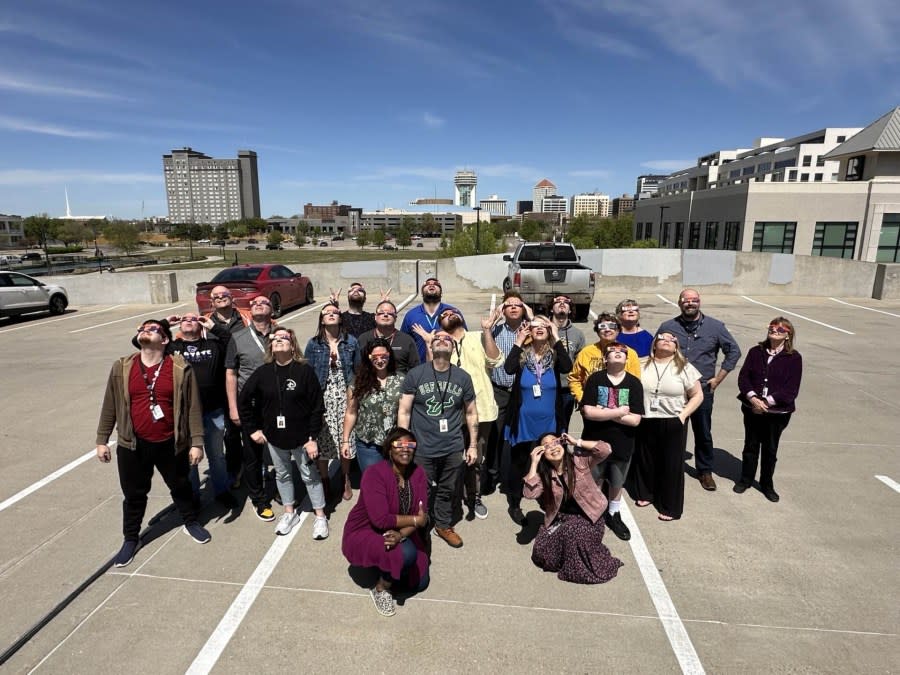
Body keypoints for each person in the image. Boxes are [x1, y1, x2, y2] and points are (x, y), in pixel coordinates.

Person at [95, 319, 210, 568]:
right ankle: (130, 539)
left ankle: (190, 522)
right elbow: (110, 405)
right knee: (134, 495)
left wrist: (197, 442)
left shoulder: (179, 368)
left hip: (171, 442)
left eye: (153, 329)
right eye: (142, 328)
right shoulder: (122, 367)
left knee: (180, 486)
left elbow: (193, 407)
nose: (145, 330)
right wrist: (102, 440)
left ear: (165, 340)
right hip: (132, 444)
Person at [412, 306, 503, 521]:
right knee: (450, 459)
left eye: (452, 312)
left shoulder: (478, 337)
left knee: (476, 458)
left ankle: (475, 497)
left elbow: (495, 360)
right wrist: (428, 344)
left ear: (461, 317)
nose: (447, 314)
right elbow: (428, 373)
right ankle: (451, 498)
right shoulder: (441, 343)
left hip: (480, 410)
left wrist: (488, 331)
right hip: (449, 414)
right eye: (443, 315)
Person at [239, 328, 328, 538]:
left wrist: (312, 438)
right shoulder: (263, 372)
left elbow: (317, 406)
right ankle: (289, 513)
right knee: (283, 474)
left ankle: (320, 516)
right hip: (275, 437)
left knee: (309, 475)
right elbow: (244, 401)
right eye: (275, 338)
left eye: (284, 338)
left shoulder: (304, 371)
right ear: (271, 346)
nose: (279, 340)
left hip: (302, 437)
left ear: (292, 344)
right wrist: (253, 429)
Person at [397, 330, 478, 548]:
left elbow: (471, 412)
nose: (442, 341)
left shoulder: (463, 377)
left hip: (452, 446)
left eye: (447, 339)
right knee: (421, 490)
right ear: (430, 347)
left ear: (453, 348)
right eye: (437, 339)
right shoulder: (416, 374)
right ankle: (420, 525)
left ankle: (443, 524)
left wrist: (472, 445)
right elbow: (404, 410)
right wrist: (404, 442)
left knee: (448, 488)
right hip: (422, 447)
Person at [658, 288, 741, 492]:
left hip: (702, 390)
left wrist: (718, 379)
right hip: (673, 390)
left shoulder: (715, 327)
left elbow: (734, 351)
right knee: (670, 430)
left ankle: (704, 471)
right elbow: (656, 350)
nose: (690, 303)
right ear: (679, 303)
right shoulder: (668, 326)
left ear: (699, 302)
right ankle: (668, 467)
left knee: (703, 431)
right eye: (686, 300)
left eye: (694, 300)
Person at [342, 427, 430, 617]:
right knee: (406, 553)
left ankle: (387, 565)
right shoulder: (375, 474)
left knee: (420, 583)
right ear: (389, 449)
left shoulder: (419, 474)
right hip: (366, 530)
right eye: (399, 444)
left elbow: (422, 515)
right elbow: (381, 520)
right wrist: (416, 520)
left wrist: (401, 534)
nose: (405, 449)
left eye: (410, 445)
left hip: (400, 530)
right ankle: (381, 588)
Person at [523, 432, 623, 584]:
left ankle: (580, 559)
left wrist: (577, 442)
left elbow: (605, 449)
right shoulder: (545, 475)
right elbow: (529, 494)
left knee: (574, 532)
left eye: (555, 442)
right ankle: (571, 550)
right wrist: (534, 463)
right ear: (543, 453)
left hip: (590, 517)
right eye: (547, 446)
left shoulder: (579, 462)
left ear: (562, 444)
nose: (553, 448)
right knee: (541, 553)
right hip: (562, 519)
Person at [502, 315, 573, 526]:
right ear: (529, 332)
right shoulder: (523, 356)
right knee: (520, 463)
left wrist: (557, 336)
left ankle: (549, 502)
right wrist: (518, 340)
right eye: (535, 326)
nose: (539, 329)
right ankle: (515, 502)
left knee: (549, 463)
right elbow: (508, 368)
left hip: (549, 421)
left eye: (544, 326)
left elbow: (568, 367)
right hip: (524, 421)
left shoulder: (556, 357)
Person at [630, 332, 704, 521]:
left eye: (672, 340)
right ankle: (645, 493)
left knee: (671, 464)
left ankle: (669, 505)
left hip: (672, 419)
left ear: (676, 347)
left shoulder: (684, 367)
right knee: (645, 459)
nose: (667, 341)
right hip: (645, 418)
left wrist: (682, 416)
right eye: (662, 338)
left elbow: (697, 395)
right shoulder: (640, 363)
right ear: (654, 343)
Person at [168, 312, 236, 509]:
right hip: (185, 416)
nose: (188, 321)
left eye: (193, 318)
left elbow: (229, 339)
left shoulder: (212, 346)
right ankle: (194, 496)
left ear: (201, 324)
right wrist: (166, 322)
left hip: (213, 411)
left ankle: (222, 491)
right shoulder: (173, 348)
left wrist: (212, 326)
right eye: (184, 319)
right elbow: (141, 343)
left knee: (216, 455)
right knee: (190, 458)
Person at [580, 341, 644, 540]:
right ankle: (594, 512)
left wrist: (604, 412)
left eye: (621, 352)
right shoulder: (595, 379)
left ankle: (613, 513)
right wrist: (618, 412)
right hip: (595, 441)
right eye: (612, 352)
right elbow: (588, 412)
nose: (617, 354)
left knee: (617, 481)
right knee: (595, 478)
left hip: (622, 442)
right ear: (605, 359)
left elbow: (634, 420)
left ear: (627, 359)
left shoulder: (634, 383)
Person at [735, 317, 802, 502]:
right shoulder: (756, 352)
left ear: (788, 335)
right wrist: (753, 398)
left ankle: (767, 484)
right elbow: (743, 378)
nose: (775, 331)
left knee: (770, 449)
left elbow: (791, 389)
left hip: (776, 413)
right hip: (751, 408)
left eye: (781, 329)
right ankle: (746, 479)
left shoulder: (794, 358)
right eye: (772, 327)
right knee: (750, 445)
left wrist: (767, 402)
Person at [225, 294, 279, 521]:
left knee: (280, 452)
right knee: (253, 455)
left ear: (272, 310)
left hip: (277, 405)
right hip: (250, 406)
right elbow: (231, 374)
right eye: (255, 303)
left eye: (264, 302)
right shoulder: (237, 337)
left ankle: (278, 489)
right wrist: (233, 408)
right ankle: (259, 499)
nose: (259, 305)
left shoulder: (282, 334)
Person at [305, 302, 359, 503]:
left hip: (346, 395)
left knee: (346, 438)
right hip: (323, 396)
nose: (331, 314)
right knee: (323, 440)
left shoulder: (351, 341)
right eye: (326, 312)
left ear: (340, 317)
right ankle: (325, 479)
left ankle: (345, 478)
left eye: (334, 312)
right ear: (321, 319)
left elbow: (358, 369)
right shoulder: (314, 344)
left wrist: (353, 392)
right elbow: (308, 373)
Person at [203, 285, 252, 484]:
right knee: (230, 433)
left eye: (225, 295)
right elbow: (184, 340)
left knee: (252, 429)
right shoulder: (204, 322)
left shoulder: (245, 319)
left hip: (245, 379)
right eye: (216, 296)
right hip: (218, 384)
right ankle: (236, 470)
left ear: (232, 299)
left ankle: (256, 468)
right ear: (211, 302)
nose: (221, 298)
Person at [486, 291, 533, 495]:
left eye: (518, 305)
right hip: (501, 391)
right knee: (495, 435)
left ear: (524, 309)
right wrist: (488, 327)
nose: (513, 307)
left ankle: (514, 476)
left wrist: (532, 319)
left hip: (524, 393)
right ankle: (492, 473)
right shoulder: (494, 331)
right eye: (508, 305)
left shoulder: (532, 331)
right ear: (502, 310)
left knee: (519, 436)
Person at [342, 338, 404, 474]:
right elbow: (351, 412)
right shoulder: (358, 382)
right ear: (368, 357)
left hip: (394, 442)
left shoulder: (401, 380)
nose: (380, 360)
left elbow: (405, 413)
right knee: (374, 482)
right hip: (367, 443)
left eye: (384, 356)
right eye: (375, 357)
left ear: (390, 356)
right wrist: (345, 441)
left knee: (394, 481)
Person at [568, 313, 641, 404]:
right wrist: (582, 399)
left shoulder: (630, 353)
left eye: (612, 326)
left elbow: (635, 382)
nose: (607, 329)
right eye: (602, 326)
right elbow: (575, 379)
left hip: (621, 406)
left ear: (618, 330)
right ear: (598, 331)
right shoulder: (586, 352)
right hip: (592, 406)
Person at [401, 277, 466, 362]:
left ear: (441, 293)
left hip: (450, 366)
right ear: (422, 294)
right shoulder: (411, 315)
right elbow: (404, 344)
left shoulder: (453, 313)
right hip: (420, 368)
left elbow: (464, 339)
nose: (431, 284)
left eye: (436, 284)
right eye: (427, 284)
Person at [550, 295, 586, 431]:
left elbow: (580, 365)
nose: (561, 304)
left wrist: (579, 391)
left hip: (567, 389)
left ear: (570, 310)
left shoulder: (577, 334)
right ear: (551, 309)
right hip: (546, 387)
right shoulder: (542, 329)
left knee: (563, 427)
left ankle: (561, 452)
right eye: (557, 301)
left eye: (566, 302)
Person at [357, 301, 420, 374]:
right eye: (381, 313)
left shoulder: (406, 340)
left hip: (399, 383)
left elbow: (415, 369)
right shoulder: (364, 339)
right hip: (370, 383)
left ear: (395, 318)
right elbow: (358, 366)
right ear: (375, 317)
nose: (385, 315)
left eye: (390, 313)